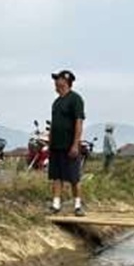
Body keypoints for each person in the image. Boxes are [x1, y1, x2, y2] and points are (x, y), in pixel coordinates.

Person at [48, 70, 86, 216]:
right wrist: (50, 141)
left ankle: (77, 205)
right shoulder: (56, 102)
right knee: (56, 176)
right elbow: (53, 124)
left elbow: (79, 121)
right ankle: (56, 204)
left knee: (73, 177)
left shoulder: (75, 99)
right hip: (56, 146)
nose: (55, 82)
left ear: (65, 81)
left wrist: (75, 144)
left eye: (57, 79)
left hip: (69, 145)